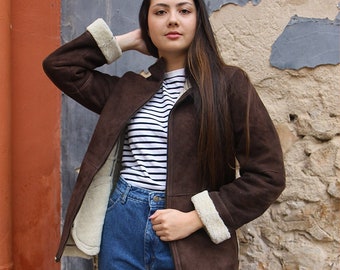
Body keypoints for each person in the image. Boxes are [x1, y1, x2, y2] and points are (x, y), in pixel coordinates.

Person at [43, 0, 285, 269]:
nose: (172, 20)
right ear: (147, 21)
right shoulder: (129, 89)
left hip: (193, 237)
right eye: (160, 12)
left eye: (184, 11)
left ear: (198, 20)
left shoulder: (229, 84)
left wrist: (196, 218)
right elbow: (60, 65)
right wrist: (131, 40)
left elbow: (268, 176)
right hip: (122, 226)